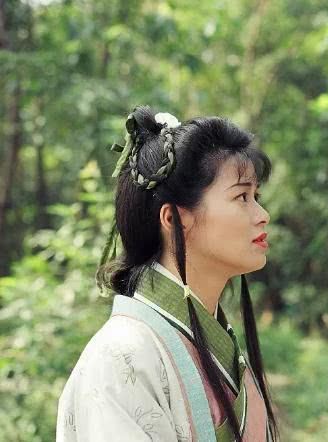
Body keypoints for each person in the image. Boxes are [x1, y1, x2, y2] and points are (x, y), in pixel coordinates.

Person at [56, 106, 277, 441]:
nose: (262, 214)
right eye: (242, 197)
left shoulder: (214, 343)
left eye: (256, 196)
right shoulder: (122, 356)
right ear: (173, 219)